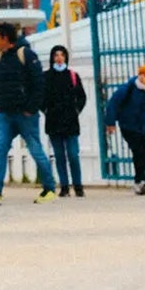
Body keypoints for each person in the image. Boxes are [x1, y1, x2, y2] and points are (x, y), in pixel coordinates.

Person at [0, 22, 56, 205]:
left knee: (35, 149)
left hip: (24, 113)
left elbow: (39, 84)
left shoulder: (26, 54)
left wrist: (31, 108)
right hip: (5, 113)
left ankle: (49, 187)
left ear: (5, 37)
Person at [104, 62, 145, 194]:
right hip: (128, 125)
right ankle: (140, 180)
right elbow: (113, 103)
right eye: (143, 74)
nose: (144, 78)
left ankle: (141, 180)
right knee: (138, 151)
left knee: (144, 152)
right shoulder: (128, 88)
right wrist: (110, 123)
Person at [41, 45, 86, 198]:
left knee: (73, 154)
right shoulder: (46, 77)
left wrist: (76, 110)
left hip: (71, 122)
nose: (59, 58)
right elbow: (40, 97)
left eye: (62, 55)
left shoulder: (73, 76)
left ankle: (78, 186)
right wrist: (46, 110)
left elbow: (81, 97)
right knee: (59, 156)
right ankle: (64, 186)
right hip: (54, 121)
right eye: (56, 55)